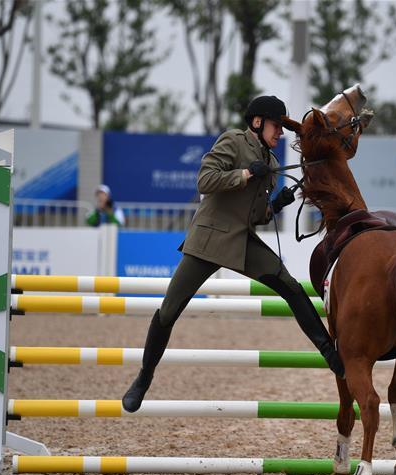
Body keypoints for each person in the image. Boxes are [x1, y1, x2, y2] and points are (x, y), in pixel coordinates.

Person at [121, 95, 345, 413]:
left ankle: (331, 355)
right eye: (276, 126)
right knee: (169, 311)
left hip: (242, 241)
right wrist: (244, 174)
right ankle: (144, 377)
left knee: (292, 289)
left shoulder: (271, 164)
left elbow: (255, 216)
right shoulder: (233, 140)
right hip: (209, 240)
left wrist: (276, 205)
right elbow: (205, 180)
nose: (280, 133)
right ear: (257, 122)